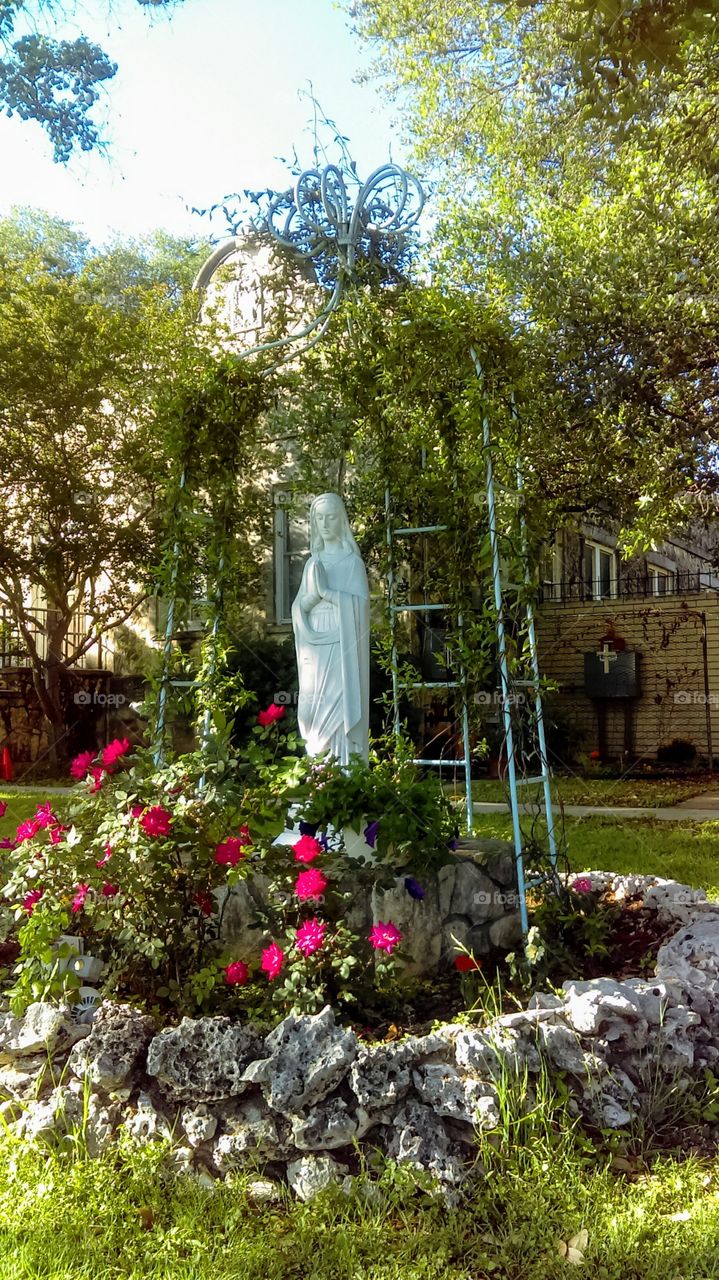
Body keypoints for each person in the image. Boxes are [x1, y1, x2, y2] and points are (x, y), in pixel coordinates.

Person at [291, 493, 370, 763]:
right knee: (312, 707)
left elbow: (360, 609)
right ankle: (318, 775)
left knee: (339, 704)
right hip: (314, 645)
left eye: (331, 517)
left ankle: (343, 773)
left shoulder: (352, 564)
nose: (325, 523)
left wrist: (327, 592)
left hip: (342, 643)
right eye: (319, 517)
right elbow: (298, 607)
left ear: (342, 521)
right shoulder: (312, 564)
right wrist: (313, 598)